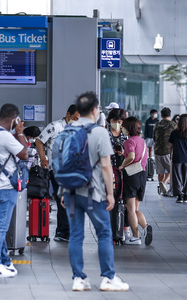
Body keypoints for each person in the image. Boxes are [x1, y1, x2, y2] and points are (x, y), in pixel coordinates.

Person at [62, 92, 130, 291]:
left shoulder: (67, 130)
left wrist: (62, 191)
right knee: (104, 234)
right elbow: (107, 167)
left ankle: (78, 279)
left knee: (75, 235)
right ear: (93, 110)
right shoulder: (99, 132)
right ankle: (108, 277)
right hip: (94, 192)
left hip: (71, 190)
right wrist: (110, 193)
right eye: (99, 108)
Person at [0, 104, 29, 277]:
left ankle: (4, 260)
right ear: (13, 119)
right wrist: (19, 132)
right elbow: (25, 154)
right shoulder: (5, 136)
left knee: (0, 225)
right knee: (1, 227)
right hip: (5, 186)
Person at [36, 104, 79, 243]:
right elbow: (39, 141)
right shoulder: (55, 126)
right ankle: (62, 231)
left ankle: (66, 230)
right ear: (67, 114)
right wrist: (43, 159)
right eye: (74, 118)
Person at [119, 117, 152, 246]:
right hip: (142, 175)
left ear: (128, 129)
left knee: (130, 209)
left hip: (131, 175)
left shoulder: (129, 142)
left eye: (124, 127)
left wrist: (122, 165)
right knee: (136, 208)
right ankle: (145, 226)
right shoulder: (142, 141)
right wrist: (124, 154)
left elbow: (132, 156)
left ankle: (135, 237)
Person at [169, 114, 187, 203]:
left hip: (177, 157)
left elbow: (170, 146)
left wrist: (170, 155)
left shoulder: (174, 133)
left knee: (177, 177)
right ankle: (186, 196)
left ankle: (179, 195)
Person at [153, 107, 176, 195]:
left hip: (157, 150)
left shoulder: (157, 124)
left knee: (160, 171)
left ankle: (160, 186)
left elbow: (154, 138)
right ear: (170, 115)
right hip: (168, 151)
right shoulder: (173, 125)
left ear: (161, 115)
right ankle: (164, 183)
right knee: (171, 170)